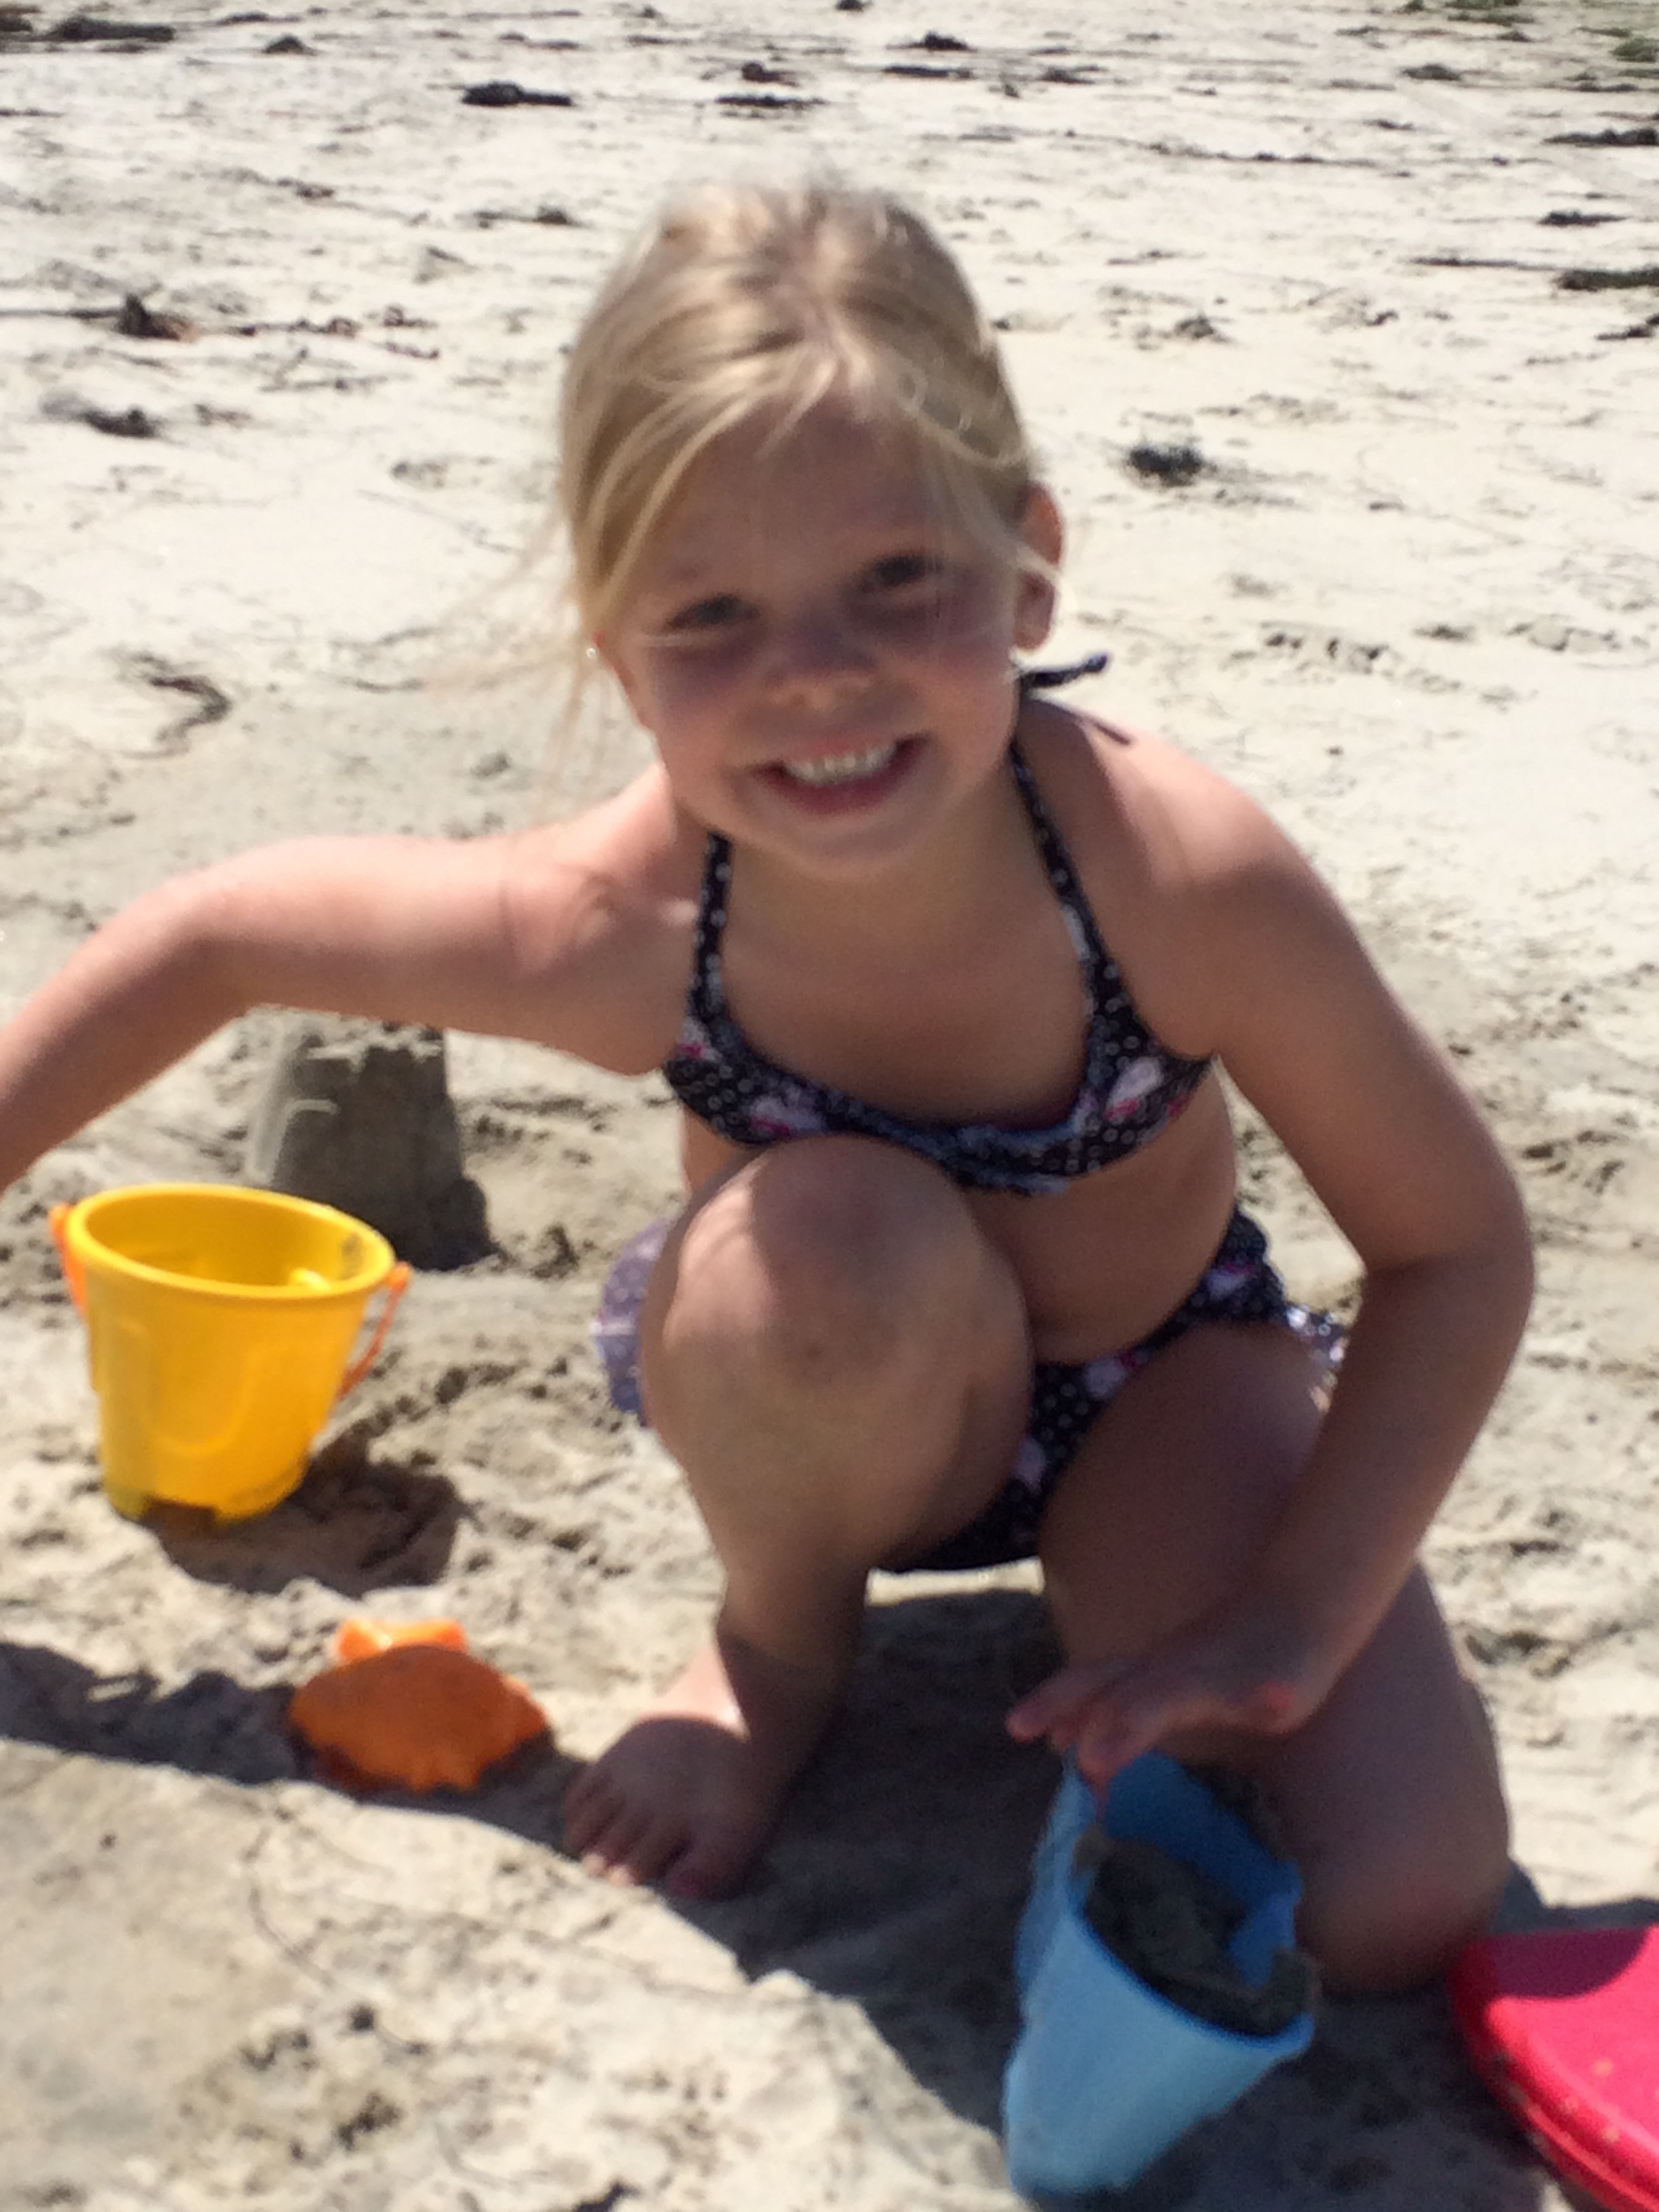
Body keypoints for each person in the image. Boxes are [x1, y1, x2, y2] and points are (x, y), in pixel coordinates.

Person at [0, 183, 1530, 1992]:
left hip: (1160, 1381)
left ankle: (1150, 1622)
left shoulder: (1174, 878)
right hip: (816, 1391)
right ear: (618, 650)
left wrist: (1294, 1617)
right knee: (834, 1243)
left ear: (1028, 565)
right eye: (713, 614)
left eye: (896, 579)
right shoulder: (632, 923)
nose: (816, 675)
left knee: (1383, 1897)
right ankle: (780, 1652)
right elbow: (214, 937)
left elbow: (1455, 1248)